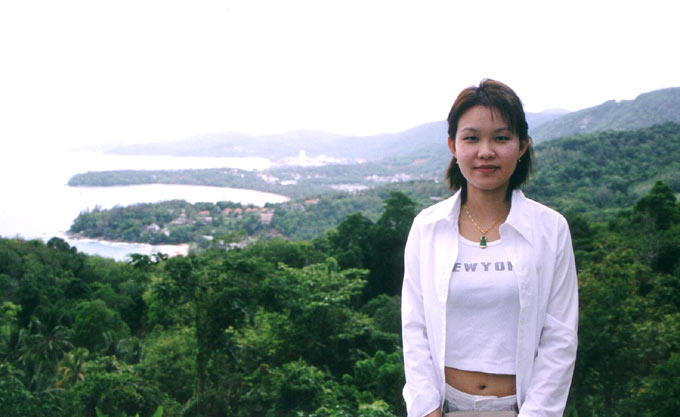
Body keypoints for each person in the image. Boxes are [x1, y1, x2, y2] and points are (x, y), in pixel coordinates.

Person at [401, 79, 578, 417]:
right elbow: (415, 326)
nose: (486, 151)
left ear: (522, 145)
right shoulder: (427, 228)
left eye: (501, 137)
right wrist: (426, 409)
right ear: (453, 146)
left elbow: (560, 338)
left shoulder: (550, 229)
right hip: (443, 406)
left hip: (519, 408)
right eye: (471, 138)